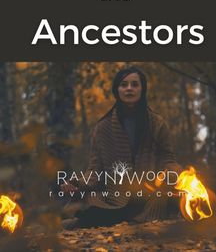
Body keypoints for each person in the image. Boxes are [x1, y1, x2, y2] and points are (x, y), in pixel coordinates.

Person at [62, 66, 182, 228]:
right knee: (91, 205)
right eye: (124, 84)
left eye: (134, 84)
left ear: (142, 89)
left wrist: (177, 174)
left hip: (149, 194)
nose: (129, 89)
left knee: (171, 199)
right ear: (117, 90)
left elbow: (168, 159)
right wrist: (78, 184)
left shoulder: (157, 124)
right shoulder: (103, 127)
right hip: (114, 198)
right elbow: (95, 169)